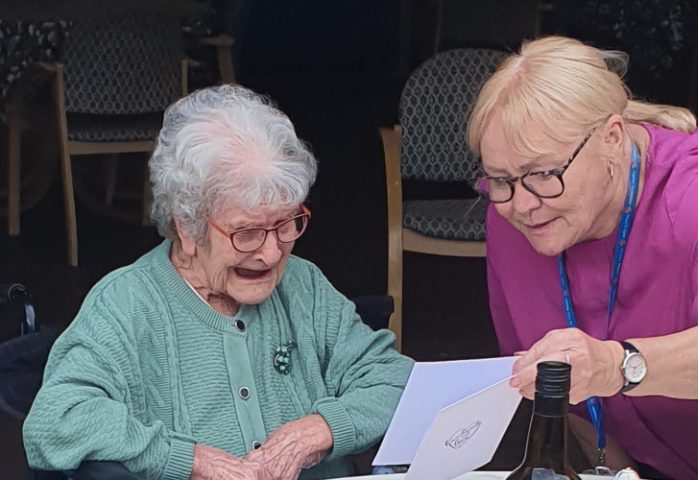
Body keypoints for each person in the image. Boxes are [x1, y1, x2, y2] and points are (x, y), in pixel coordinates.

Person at [23, 85, 414, 480]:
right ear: (187, 227)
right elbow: (56, 420)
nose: (272, 253)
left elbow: (397, 380)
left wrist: (318, 431)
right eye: (247, 233)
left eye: (286, 224)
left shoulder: (303, 286)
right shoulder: (127, 304)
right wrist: (189, 460)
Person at [467, 36, 698, 479]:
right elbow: (567, 392)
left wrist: (615, 366)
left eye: (543, 174)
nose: (523, 204)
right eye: (499, 179)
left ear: (611, 138)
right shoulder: (513, 213)